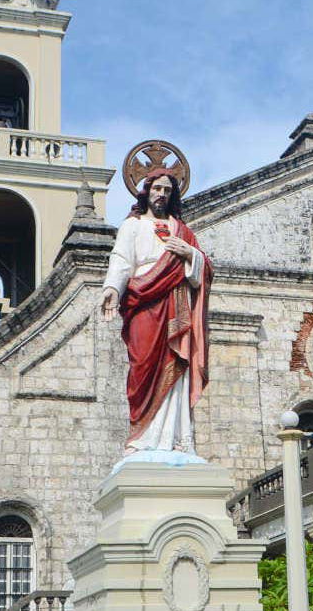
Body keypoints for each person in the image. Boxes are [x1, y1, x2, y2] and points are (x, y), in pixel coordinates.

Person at [101, 170, 212, 455]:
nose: (161, 194)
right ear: (146, 191)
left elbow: (204, 273)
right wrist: (113, 288)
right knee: (142, 366)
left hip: (175, 302)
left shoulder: (182, 231)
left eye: (167, 190)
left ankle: (175, 438)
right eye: (156, 188)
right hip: (143, 301)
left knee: (175, 363)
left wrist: (190, 254)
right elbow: (122, 260)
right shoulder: (133, 226)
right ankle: (141, 437)